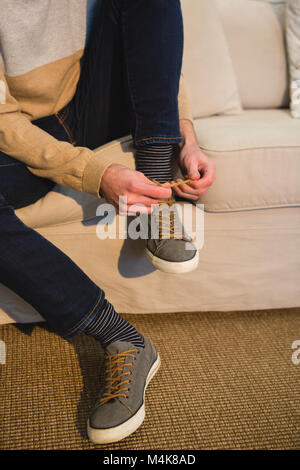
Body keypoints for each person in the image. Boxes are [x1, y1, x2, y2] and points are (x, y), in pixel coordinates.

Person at [0, 0, 216, 444]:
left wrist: (186, 140)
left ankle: (156, 197)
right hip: (22, 132)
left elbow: (151, 53)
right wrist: (95, 175)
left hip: (89, 103)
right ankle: (122, 339)